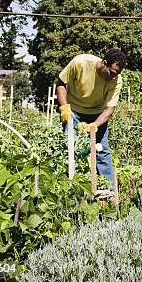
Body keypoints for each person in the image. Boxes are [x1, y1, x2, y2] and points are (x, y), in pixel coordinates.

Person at [57, 48, 126, 192]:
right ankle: (66, 188)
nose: (114, 77)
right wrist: (65, 108)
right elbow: (61, 83)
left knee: (101, 151)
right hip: (73, 111)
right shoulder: (80, 62)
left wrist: (93, 125)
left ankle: (108, 192)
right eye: (112, 73)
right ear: (104, 63)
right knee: (70, 149)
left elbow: (109, 110)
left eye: (117, 74)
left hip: (97, 114)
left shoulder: (116, 80)